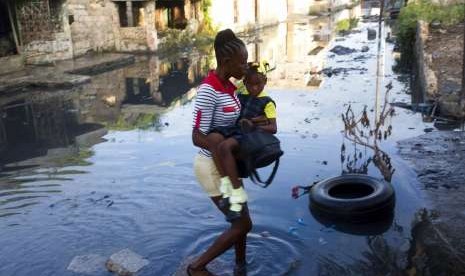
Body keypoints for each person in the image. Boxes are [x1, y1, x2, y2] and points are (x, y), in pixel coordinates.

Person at [190, 29, 249, 276]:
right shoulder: (208, 90)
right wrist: (222, 148)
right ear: (226, 62)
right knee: (243, 223)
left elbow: (228, 125)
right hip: (215, 171)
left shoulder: (229, 87)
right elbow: (196, 137)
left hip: (228, 166)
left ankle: (240, 265)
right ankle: (196, 267)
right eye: (242, 62)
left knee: (241, 222)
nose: (245, 66)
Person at [207, 61, 277, 221]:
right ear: (245, 83)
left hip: (249, 135)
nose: (254, 88)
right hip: (236, 129)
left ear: (265, 82)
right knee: (212, 138)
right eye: (250, 84)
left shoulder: (268, 102)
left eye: (258, 84)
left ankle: (237, 195)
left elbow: (273, 128)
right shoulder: (241, 93)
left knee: (225, 147)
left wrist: (254, 124)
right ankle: (226, 185)